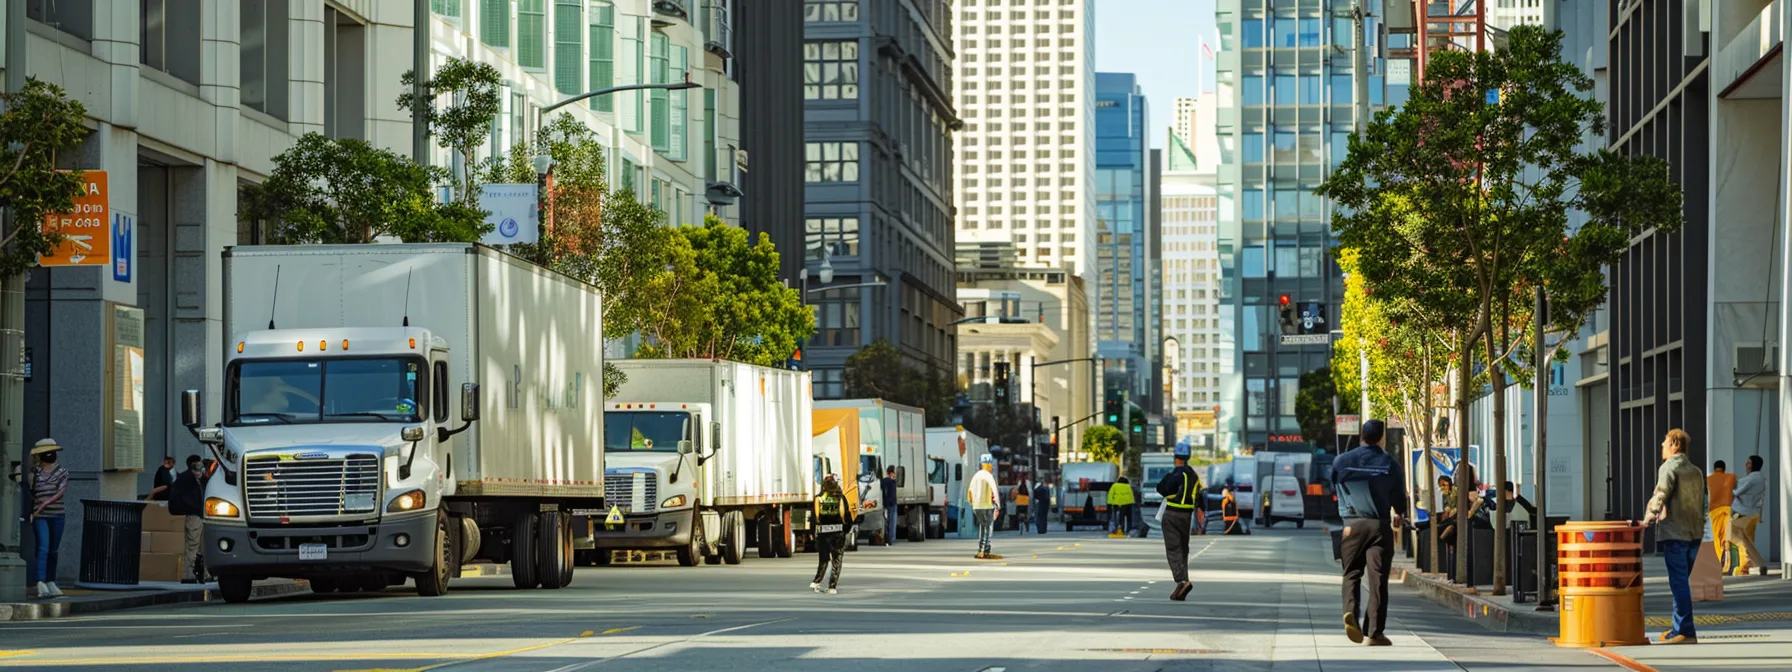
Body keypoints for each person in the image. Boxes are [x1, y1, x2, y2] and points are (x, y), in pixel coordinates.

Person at [1332, 419, 1407, 647]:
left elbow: (1333, 486)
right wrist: (1399, 512)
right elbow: (1399, 499)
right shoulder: (1389, 463)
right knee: (1378, 580)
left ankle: (1350, 613)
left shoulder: (1342, 461)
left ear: (1360, 436)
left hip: (1352, 524)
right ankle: (1375, 633)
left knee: (1351, 573)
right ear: (1381, 437)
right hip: (1379, 525)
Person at [1642, 428, 1707, 645]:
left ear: (1673, 445)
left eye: (1664, 443)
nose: (1662, 446)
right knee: (1682, 582)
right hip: (1694, 533)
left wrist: (1648, 518)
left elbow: (1661, 493)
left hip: (1675, 532)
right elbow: (1703, 502)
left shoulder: (1669, 467)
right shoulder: (1696, 471)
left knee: (1678, 583)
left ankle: (1685, 630)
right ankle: (1678, 627)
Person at [1155, 445, 1202, 601]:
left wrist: (1168, 477)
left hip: (1172, 513)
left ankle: (1182, 580)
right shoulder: (1194, 475)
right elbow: (1199, 497)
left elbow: (1162, 488)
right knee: (1183, 549)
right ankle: (1182, 583)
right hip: (1187, 516)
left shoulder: (1176, 474)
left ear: (1176, 457)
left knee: (1173, 549)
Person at [28, 438, 69, 598]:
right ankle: (40, 581)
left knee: (53, 550)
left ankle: (51, 581)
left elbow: (60, 492)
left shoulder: (63, 472)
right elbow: (30, 491)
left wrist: (42, 505)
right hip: (41, 517)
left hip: (57, 515)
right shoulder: (34, 474)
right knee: (43, 547)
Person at [810, 474, 853, 594]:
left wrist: (812, 532)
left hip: (823, 533)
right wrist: (846, 529)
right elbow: (846, 515)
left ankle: (816, 582)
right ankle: (832, 586)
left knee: (823, 559)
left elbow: (814, 517)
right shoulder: (841, 498)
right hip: (837, 533)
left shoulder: (819, 498)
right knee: (836, 560)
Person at [170, 454, 208, 584]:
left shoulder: (194, 479)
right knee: (193, 546)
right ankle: (189, 575)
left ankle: (202, 573)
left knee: (200, 546)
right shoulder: (188, 480)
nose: (200, 469)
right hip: (195, 515)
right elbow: (189, 499)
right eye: (197, 466)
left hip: (198, 515)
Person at [1730, 455, 1768, 576]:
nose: (1746, 465)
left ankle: (1746, 564)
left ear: (1753, 465)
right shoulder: (1761, 479)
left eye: (1749, 463)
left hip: (1742, 512)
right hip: (1751, 512)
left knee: (1732, 534)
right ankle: (1760, 564)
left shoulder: (1751, 479)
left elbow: (1737, 491)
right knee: (1745, 539)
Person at [967, 454, 1002, 559]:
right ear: (989, 464)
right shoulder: (988, 476)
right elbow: (995, 492)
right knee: (988, 527)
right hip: (986, 506)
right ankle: (984, 550)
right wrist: (998, 506)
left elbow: (969, 492)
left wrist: (972, 504)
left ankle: (982, 549)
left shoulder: (976, 476)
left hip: (976, 506)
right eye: (990, 464)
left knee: (982, 527)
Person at [1706, 461, 1736, 572]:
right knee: (1727, 537)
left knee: (1716, 538)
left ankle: (1718, 563)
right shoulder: (1731, 477)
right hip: (1728, 508)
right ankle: (1728, 564)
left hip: (1714, 510)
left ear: (1714, 469)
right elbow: (1735, 489)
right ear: (1724, 468)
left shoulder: (1709, 479)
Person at [881, 466, 899, 546]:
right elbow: (892, 494)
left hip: (885, 504)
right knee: (892, 522)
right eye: (895, 472)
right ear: (891, 473)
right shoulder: (893, 482)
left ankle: (886, 538)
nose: (895, 474)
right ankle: (891, 539)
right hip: (892, 504)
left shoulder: (883, 481)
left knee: (886, 522)